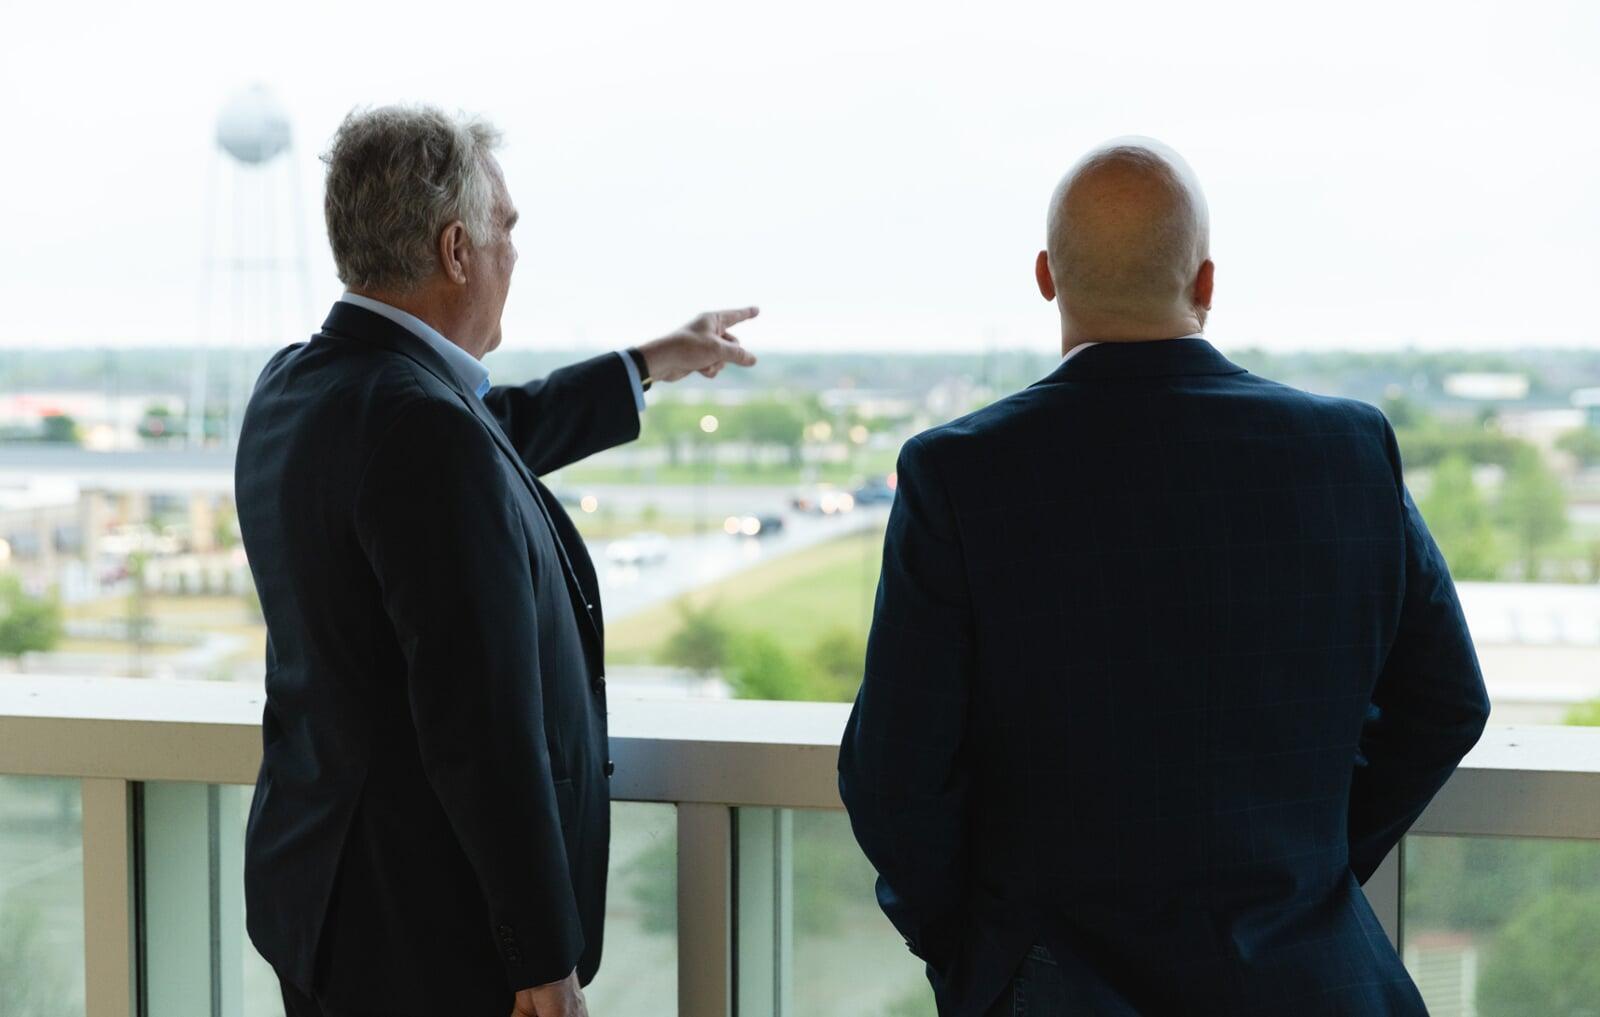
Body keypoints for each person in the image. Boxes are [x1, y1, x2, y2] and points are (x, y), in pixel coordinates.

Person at [838, 137, 1490, 1016]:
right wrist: (1309, 865)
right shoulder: (1345, 449)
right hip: (1313, 978)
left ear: (1045, 276)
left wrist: (979, 948)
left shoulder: (961, 474)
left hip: (1051, 984)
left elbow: (893, 778)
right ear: (1207, 283)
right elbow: (1447, 701)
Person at [234, 104, 757, 1017]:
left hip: (321, 903)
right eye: (504, 228)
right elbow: (479, 726)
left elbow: (489, 435)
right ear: (455, 251)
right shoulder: (422, 432)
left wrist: (652, 362)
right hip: (425, 941)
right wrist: (542, 958)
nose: (515, 251)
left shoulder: (301, 384)